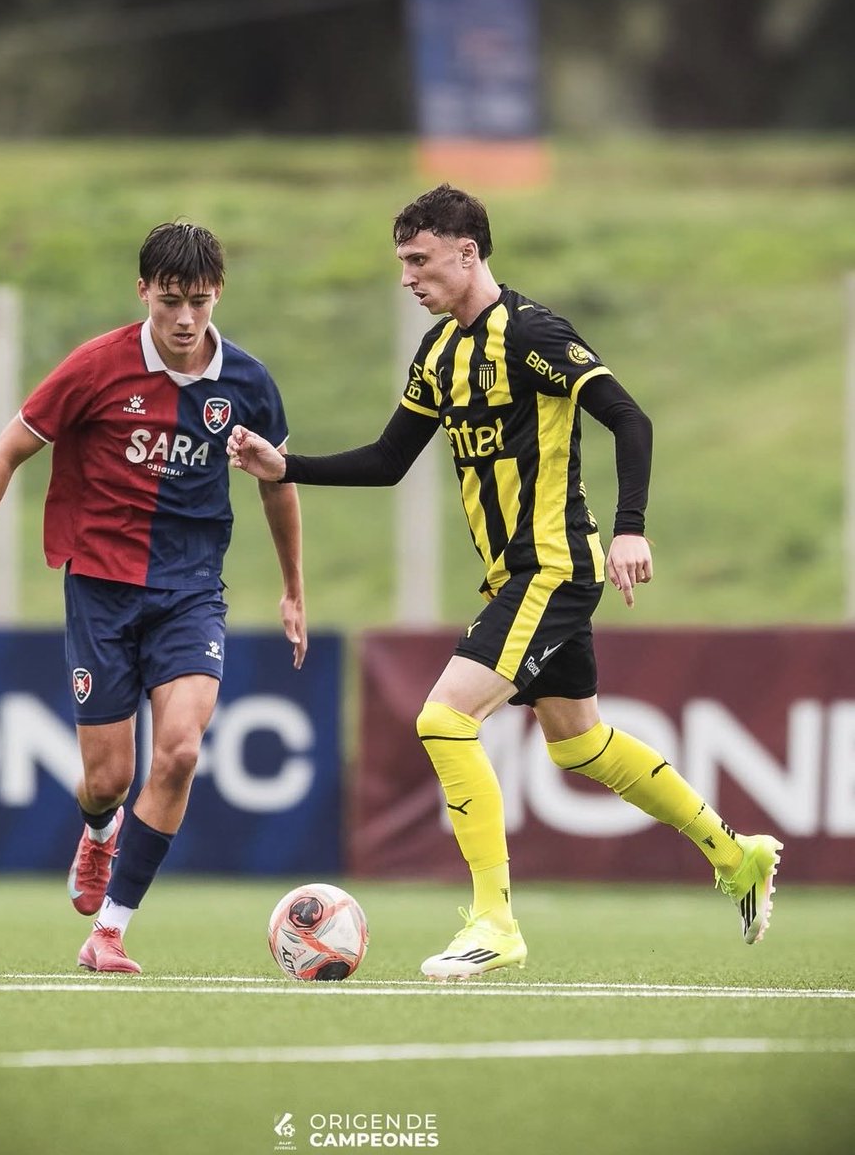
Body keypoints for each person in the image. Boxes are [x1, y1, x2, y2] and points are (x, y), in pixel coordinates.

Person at [228, 184, 782, 981]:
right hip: (513, 578)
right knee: (580, 745)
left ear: (468, 252)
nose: (409, 278)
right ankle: (738, 857)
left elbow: (630, 417)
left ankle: (495, 920)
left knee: (443, 720)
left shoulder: (531, 334)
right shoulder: (440, 354)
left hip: (553, 566)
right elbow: (389, 462)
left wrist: (631, 525)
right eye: (402, 264)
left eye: (420, 261)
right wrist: (289, 466)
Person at [0, 221, 306, 975]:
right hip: (100, 589)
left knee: (182, 751)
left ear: (217, 295)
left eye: (198, 301)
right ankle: (98, 833)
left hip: (193, 590)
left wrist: (295, 588)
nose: (185, 319)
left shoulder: (248, 384)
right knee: (109, 778)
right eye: (170, 301)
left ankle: (110, 930)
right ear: (143, 292)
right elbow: (4, 452)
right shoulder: (95, 368)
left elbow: (277, 483)